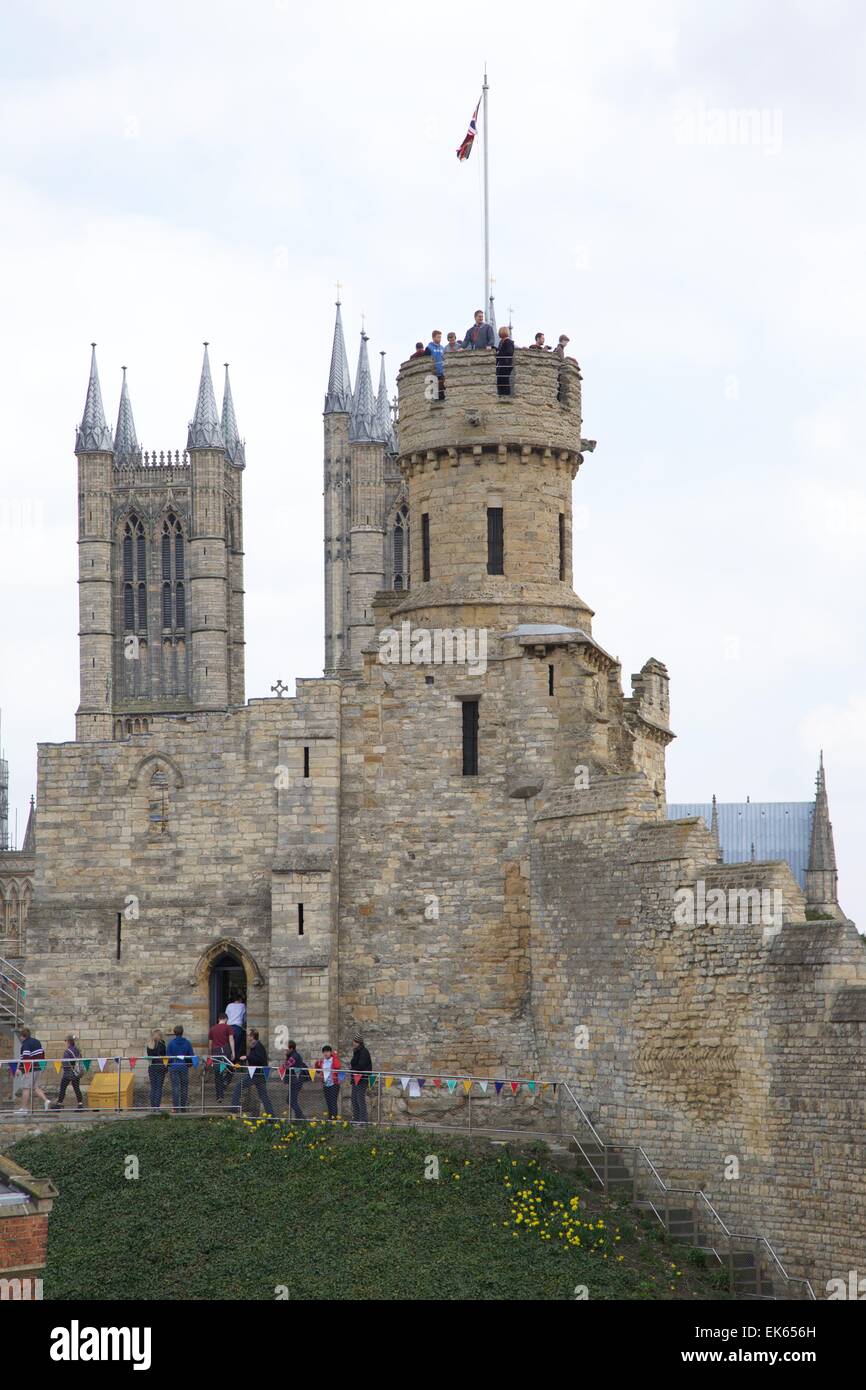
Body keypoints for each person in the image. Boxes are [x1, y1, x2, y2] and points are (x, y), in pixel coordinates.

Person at [230, 1029, 276, 1118]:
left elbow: (259, 1059)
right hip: (259, 1075)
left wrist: (247, 1057)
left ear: (252, 1036)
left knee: (238, 1086)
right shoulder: (256, 1045)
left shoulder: (258, 1046)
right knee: (264, 1097)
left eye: (248, 1035)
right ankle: (272, 1118)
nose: (247, 1037)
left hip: (256, 1075)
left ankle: (233, 1109)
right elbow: (256, 1059)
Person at [15, 1027, 50, 1114]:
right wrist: (42, 1067)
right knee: (35, 1087)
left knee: (25, 1088)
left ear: (23, 1036)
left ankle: (24, 1109)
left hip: (30, 1069)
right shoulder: (37, 1041)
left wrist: (25, 1071)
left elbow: (26, 1058)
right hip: (39, 1067)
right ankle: (46, 1100)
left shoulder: (25, 1044)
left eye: (21, 1037)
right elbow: (42, 1054)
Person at [50, 1035, 84, 1110]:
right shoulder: (77, 1050)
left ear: (68, 1042)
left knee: (63, 1088)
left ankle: (59, 1104)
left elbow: (65, 1062)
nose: (65, 1043)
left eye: (65, 1041)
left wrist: (62, 1066)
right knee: (76, 1088)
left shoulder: (67, 1052)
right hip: (76, 1072)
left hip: (68, 1073)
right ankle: (80, 1105)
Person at [167, 1023, 194, 1113]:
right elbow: (191, 1055)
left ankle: (175, 1107)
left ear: (174, 1033)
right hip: (184, 1067)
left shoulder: (171, 1043)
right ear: (182, 1032)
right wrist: (188, 1064)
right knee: (184, 1087)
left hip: (174, 1066)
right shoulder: (187, 1043)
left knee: (175, 1087)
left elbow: (168, 1057)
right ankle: (183, 1107)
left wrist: (170, 1064)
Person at [208, 1012, 234, 1104]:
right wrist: (233, 1052)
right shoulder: (228, 1027)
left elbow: (210, 1043)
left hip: (215, 1052)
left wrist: (210, 1054)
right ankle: (224, 1082)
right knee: (231, 1068)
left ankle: (219, 1096)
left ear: (219, 1019)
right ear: (226, 1019)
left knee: (217, 1074)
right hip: (225, 1051)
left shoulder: (212, 1029)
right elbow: (231, 1039)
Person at [349, 1034, 372, 1124]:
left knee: (360, 1099)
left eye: (354, 1041)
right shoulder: (356, 1051)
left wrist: (352, 1069)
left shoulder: (364, 1052)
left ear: (358, 1042)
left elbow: (361, 1065)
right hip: (355, 1078)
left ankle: (363, 1121)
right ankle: (356, 1119)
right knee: (354, 1099)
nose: (353, 1043)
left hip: (362, 1079)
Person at [315, 1044, 342, 1120]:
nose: (326, 1053)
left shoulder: (334, 1059)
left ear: (331, 1052)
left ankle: (334, 1120)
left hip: (334, 1084)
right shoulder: (322, 1061)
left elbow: (337, 1066)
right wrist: (317, 1064)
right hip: (326, 1084)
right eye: (324, 1052)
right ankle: (330, 1119)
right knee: (328, 1102)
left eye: (327, 1051)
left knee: (333, 1102)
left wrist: (335, 1056)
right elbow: (317, 1070)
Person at [283, 1039, 306, 1120]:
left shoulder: (294, 1056)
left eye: (286, 1048)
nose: (285, 1050)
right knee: (291, 1100)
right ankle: (299, 1118)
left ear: (291, 1048)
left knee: (291, 1100)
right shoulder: (293, 1055)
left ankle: (301, 1118)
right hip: (294, 1081)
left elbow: (286, 1065)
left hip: (296, 1081)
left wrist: (285, 1059)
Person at [146, 1030, 167, 1110]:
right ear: (159, 1036)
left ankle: (152, 1106)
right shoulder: (162, 1044)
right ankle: (157, 1107)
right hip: (160, 1067)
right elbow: (164, 1055)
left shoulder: (149, 1045)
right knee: (159, 1088)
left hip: (152, 1067)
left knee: (153, 1087)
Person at [226, 991, 246, 1063]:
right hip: (238, 1028)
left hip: (229, 1027)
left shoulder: (229, 1005)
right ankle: (235, 1065)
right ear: (240, 999)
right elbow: (244, 1018)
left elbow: (226, 1017)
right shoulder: (243, 1005)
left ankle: (228, 1065)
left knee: (228, 1048)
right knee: (237, 1047)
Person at [425, 330, 446, 400]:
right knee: (435, 393)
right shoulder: (428, 348)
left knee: (442, 393)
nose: (439, 339)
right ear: (433, 338)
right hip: (433, 373)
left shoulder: (443, 348)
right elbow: (426, 360)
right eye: (438, 337)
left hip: (442, 372)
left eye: (440, 337)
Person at [496, 325, 515, 396]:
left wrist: (499, 353)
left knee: (504, 381)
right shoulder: (502, 342)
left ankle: (505, 395)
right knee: (501, 381)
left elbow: (509, 352)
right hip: (503, 364)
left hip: (506, 364)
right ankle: (502, 395)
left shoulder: (508, 342)